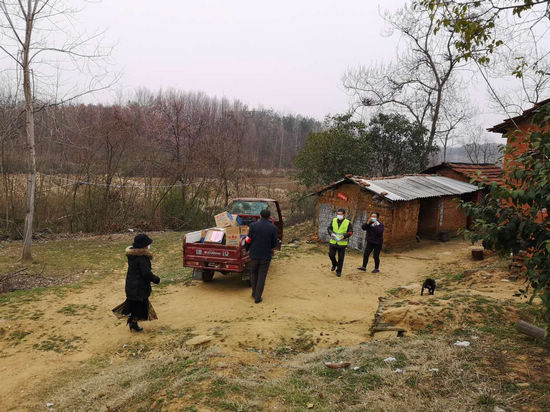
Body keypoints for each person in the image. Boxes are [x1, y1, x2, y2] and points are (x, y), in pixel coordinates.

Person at [112, 233, 160, 332]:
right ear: (143, 246)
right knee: (140, 306)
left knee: (135, 305)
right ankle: (133, 322)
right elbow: (146, 273)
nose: (148, 246)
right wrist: (156, 279)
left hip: (132, 285)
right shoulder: (142, 258)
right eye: (147, 244)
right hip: (139, 287)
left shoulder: (133, 256)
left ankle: (133, 323)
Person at [245, 208, 278, 303]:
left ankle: (254, 293)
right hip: (265, 256)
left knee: (253, 274)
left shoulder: (253, 225)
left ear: (260, 216)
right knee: (261, 276)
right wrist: (270, 248)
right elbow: (274, 243)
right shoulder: (273, 228)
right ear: (269, 217)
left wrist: (247, 248)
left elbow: (248, 239)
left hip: (254, 255)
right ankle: (258, 297)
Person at [327, 208, 353, 277]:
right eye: (338, 214)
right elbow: (329, 228)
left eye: (340, 214)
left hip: (342, 244)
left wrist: (344, 236)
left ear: (344, 215)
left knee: (341, 258)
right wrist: (331, 233)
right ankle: (334, 264)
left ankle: (339, 271)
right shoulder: (333, 220)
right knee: (331, 255)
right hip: (333, 242)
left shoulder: (348, 222)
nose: (339, 216)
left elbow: (351, 232)